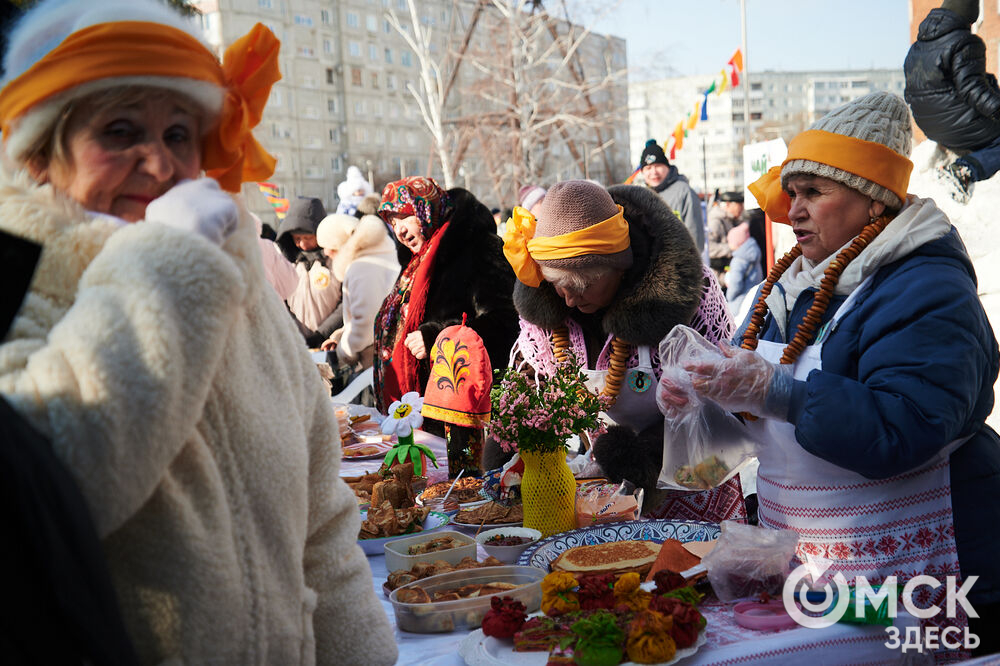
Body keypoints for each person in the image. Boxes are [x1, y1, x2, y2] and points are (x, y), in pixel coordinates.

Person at [0, 1, 397, 663]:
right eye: (121, 131)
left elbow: (322, 535)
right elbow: (53, 496)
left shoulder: (234, 279)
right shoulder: (18, 283)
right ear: (40, 153)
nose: (157, 163)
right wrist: (163, 268)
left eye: (179, 134)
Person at [659, 91, 1000, 656]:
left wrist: (778, 392)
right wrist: (710, 400)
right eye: (792, 193)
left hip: (924, 569)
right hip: (816, 573)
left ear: (873, 201)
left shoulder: (929, 289)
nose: (791, 210)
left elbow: (906, 429)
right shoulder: (796, 285)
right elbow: (761, 435)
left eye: (813, 193)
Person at [493, 179, 746, 523]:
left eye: (584, 286)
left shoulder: (689, 298)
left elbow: (722, 397)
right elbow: (530, 386)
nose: (569, 299)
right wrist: (508, 447)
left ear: (619, 265)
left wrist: (647, 458)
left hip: (696, 488)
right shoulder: (552, 312)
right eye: (558, 286)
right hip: (607, 495)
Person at [373, 176, 520, 414]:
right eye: (392, 221)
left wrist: (436, 337)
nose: (399, 230)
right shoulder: (416, 259)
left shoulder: (478, 247)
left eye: (404, 216)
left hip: (459, 407)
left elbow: (506, 322)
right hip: (417, 407)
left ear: (425, 210)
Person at [904, 0, 1000, 203]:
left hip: (929, 125)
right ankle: (965, 170)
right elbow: (973, 89)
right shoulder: (965, 41)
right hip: (956, 125)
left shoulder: (918, 47)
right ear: (968, 18)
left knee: (987, 78)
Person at [317, 212, 399, 371]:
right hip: (383, 354)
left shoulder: (363, 267)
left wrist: (343, 351)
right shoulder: (376, 254)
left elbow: (366, 323)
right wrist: (340, 336)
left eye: (330, 248)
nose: (327, 253)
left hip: (375, 362)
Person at [276, 196, 344, 347]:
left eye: (308, 237)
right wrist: (294, 332)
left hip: (332, 341)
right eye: (297, 238)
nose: (302, 244)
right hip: (296, 342)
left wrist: (322, 334)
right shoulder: (286, 262)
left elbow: (345, 303)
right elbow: (281, 301)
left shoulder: (336, 259)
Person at [638, 138, 706, 257]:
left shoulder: (684, 192)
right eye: (648, 168)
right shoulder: (641, 197)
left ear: (667, 167)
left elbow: (696, 240)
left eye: (658, 166)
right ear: (642, 172)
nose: (653, 172)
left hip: (679, 268)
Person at [722, 218, 763, 317]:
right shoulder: (753, 254)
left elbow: (735, 285)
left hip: (738, 305)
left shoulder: (738, 260)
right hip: (753, 300)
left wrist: (729, 296)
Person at [706, 190, 745, 286]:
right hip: (718, 276)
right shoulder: (715, 221)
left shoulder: (731, 219)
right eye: (739, 205)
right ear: (728, 204)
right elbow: (709, 248)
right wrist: (730, 248)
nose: (742, 208)